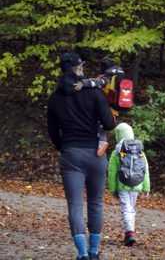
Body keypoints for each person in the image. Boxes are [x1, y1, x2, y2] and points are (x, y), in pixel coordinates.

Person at [47, 52, 116, 260]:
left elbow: (52, 131)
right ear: (77, 68)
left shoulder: (55, 98)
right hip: (96, 154)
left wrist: (65, 148)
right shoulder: (94, 93)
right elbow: (109, 124)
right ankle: (94, 251)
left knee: (75, 205)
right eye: (82, 65)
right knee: (96, 203)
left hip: (71, 154)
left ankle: (82, 253)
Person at [107, 122, 150, 247]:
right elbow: (145, 169)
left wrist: (113, 189)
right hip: (137, 184)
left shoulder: (117, 151)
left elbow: (112, 172)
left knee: (126, 209)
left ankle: (129, 233)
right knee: (131, 208)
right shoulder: (140, 150)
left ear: (118, 135)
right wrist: (146, 187)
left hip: (122, 184)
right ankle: (130, 232)